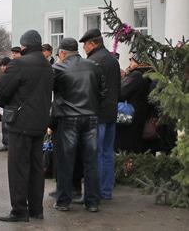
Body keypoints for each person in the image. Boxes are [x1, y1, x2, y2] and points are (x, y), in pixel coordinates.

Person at [0, 30, 53, 222]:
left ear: (24, 46)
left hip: (20, 123)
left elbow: (2, 91)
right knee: (37, 167)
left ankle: (20, 211)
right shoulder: (47, 65)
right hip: (40, 123)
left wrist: (10, 103)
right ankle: (37, 209)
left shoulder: (19, 63)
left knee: (18, 167)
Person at [51, 38, 106, 212]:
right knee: (91, 161)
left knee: (66, 161)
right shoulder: (93, 66)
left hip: (68, 118)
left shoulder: (58, 68)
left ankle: (63, 201)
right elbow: (103, 92)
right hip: (90, 117)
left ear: (62, 53)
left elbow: (51, 91)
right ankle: (92, 202)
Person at [79, 28, 121, 200]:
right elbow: (118, 88)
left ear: (92, 44)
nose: (84, 49)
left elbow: (89, 91)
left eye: (85, 45)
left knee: (94, 155)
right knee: (107, 153)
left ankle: (93, 192)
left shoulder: (93, 62)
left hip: (96, 115)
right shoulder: (112, 60)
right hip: (111, 113)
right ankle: (105, 191)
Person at [116, 55, 152, 153]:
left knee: (126, 146)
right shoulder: (148, 74)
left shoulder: (136, 75)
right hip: (141, 115)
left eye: (132, 60)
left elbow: (122, 92)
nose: (130, 63)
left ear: (139, 62)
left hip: (130, 116)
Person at [0, 56, 11, 152]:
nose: (3, 67)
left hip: (11, 104)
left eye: (5, 65)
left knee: (10, 126)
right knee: (4, 126)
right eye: (2, 65)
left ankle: (11, 144)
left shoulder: (13, 75)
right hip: (2, 104)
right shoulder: (0, 77)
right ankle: (5, 143)